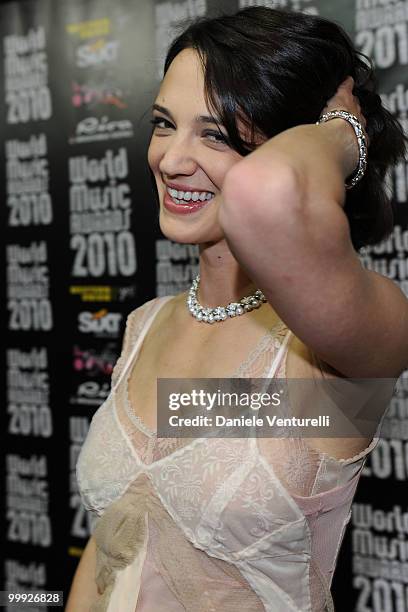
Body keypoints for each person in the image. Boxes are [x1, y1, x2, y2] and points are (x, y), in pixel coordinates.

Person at [66, 7, 408, 612]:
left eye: (217, 134)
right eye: (165, 124)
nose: (170, 160)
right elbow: (115, 544)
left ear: (297, 148)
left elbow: (267, 195)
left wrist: (347, 130)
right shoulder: (145, 327)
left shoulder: (335, 352)